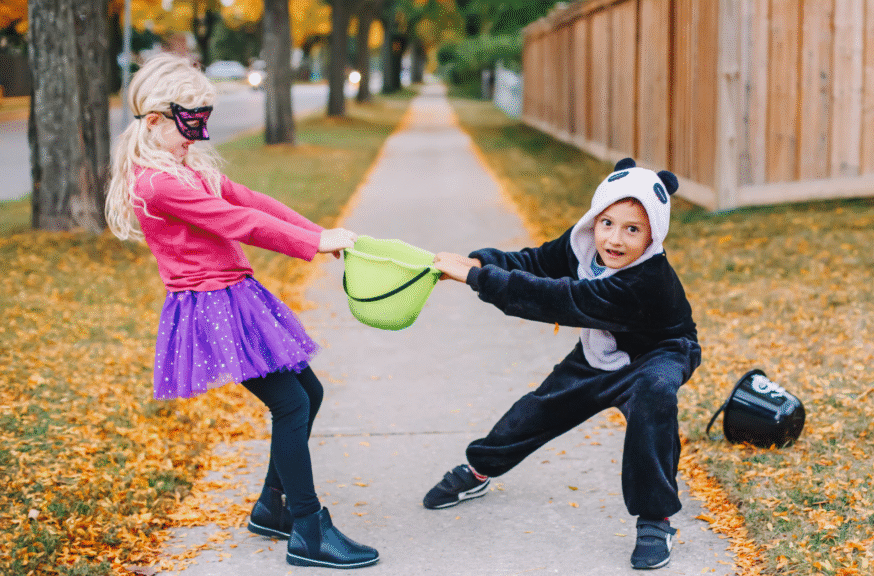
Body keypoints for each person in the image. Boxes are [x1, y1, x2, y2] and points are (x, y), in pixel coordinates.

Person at [105, 54, 378, 570]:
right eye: (191, 123)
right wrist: (314, 243)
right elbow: (237, 223)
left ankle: (272, 508)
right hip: (212, 310)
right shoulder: (157, 183)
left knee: (308, 393)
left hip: (236, 298)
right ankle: (307, 529)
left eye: (204, 121)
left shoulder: (187, 169)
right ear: (156, 120)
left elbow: (252, 200)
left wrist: (320, 233)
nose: (199, 135)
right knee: (292, 405)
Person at [426, 158, 701, 570]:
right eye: (607, 222)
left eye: (633, 229)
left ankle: (655, 519)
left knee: (653, 399)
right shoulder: (584, 243)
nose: (615, 239)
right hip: (601, 350)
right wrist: (482, 262)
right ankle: (480, 467)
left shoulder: (646, 280)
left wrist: (478, 281)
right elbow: (536, 263)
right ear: (595, 217)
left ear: (653, 235)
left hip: (659, 352)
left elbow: (561, 300)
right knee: (539, 409)